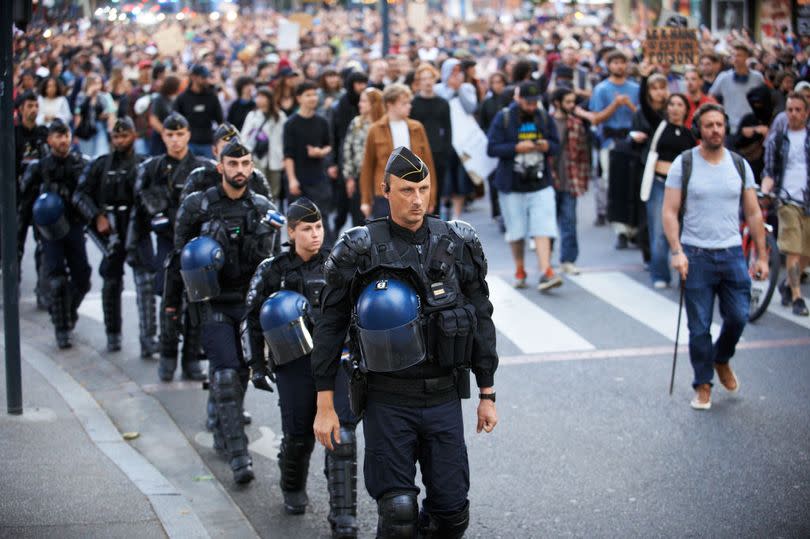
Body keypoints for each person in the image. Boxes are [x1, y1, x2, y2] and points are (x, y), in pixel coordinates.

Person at [312, 147, 498, 538]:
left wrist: (487, 393)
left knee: (452, 515)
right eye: (407, 189)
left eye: (424, 189)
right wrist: (325, 403)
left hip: (444, 397)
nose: (417, 199)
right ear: (385, 190)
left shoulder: (458, 242)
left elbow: (481, 317)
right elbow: (329, 326)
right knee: (398, 514)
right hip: (388, 400)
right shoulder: (359, 249)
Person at [244, 198, 358, 537]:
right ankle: (292, 487)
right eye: (307, 229)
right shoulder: (273, 270)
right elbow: (250, 319)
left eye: (319, 227)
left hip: (336, 361)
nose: (315, 235)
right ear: (291, 231)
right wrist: (256, 365)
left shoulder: (339, 264)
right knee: (298, 437)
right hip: (293, 365)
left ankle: (344, 516)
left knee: (342, 435)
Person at [172, 139, 278, 484]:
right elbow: (179, 257)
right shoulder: (197, 205)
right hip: (213, 302)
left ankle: (220, 423)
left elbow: (273, 265)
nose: (240, 171)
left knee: (243, 372)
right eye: (233, 164)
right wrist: (172, 305)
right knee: (225, 373)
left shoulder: (262, 206)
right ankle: (238, 455)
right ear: (220, 167)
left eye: (246, 164)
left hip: (248, 304)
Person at [662, 103, 769, 410]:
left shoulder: (738, 164)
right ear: (699, 130)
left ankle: (721, 357)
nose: (715, 130)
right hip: (695, 255)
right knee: (698, 327)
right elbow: (669, 211)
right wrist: (677, 251)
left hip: (733, 253)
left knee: (737, 317)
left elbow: (752, 212)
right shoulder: (685, 164)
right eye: (709, 125)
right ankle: (703, 383)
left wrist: (761, 256)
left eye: (720, 125)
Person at [127, 112, 214, 381]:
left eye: (180, 134)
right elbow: (138, 212)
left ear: (188, 134)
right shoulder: (151, 169)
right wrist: (133, 246)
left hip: (196, 246)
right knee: (169, 302)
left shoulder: (204, 168)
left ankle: (191, 359)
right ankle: (167, 356)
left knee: (197, 304)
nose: (175, 140)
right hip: (167, 245)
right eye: (170, 134)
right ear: (162, 136)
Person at [73, 117, 152, 352]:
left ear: (133, 136)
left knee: (145, 283)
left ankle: (148, 339)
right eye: (116, 136)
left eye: (124, 135)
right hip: (111, 229)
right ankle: (113, 334)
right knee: (110, 282)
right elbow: (80, 195)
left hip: (137, 228)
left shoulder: (145, 164)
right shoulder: (100, 164)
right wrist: (97, 216)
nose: (119, 140)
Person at [18, 119, 91, 349]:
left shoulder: (80, 164)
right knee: (57, 280)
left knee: (83, 278)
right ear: (49, 140)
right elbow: (24, 201)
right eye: (58, 136)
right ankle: (62, 329)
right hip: (50, 232)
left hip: (74, 226)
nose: (63, 140)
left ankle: (67, 312)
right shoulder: (39, 168)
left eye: (66, 135)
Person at [487, 81, 563, 291]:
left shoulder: (544, 116)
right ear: (518, 99)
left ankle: (546, 270)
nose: (531, 106)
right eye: (527, 102)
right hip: (512, 184)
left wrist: (547, 146)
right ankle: (520, 269)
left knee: (544, 227)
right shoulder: (504, 117)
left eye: (534, 102)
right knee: (516, 231)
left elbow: (556, 144)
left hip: (540, 182)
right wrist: (516, 148)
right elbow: (491, 148)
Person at [640, 94, 697, 288]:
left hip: (681, 187)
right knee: (659, 230)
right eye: (671, 104)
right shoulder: (660, 126)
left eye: (679, 104)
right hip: (658, 184)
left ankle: (684, 270)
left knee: (683, 230)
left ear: (686, 110)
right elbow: (645, 103)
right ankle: (660, 274)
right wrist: (645, 77)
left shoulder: (690, 134)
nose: (674, 108)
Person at [762, 93, 810, 316]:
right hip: (786, 198)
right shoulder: (777, 139)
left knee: (806, 251)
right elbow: (770, 171)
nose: (793, 114)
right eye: (790, 110)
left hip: (807, 199)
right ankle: (798, 297)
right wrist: (765, 190)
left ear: (806, 113)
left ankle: (786, 285)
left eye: (798, 110)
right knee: (793, 247)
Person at [359, 83, 437, 219]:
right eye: (404, 103)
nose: (409, 106)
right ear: (390, 105)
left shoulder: (417, 127)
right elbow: (367, 167)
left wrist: (431, 195)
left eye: (409, 102)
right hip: (385, 193)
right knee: (385, 236)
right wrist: (365, 200)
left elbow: (428, 164)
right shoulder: (375, 129)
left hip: (414, 190)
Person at [589, 50, 640, 231]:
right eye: (615, 62)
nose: (619, 66)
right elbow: (595, 118)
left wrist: (629, 105)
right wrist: (615, 105)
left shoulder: (635, 88)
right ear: (609, 66)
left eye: (622, 62)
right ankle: (619, 228)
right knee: (612, 182)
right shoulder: (602, 89)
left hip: (632, 139)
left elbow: (641, 116)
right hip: (610, 141)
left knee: (633, 182)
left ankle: (632, 223)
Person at [283, 81, 336, 241]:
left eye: (315, 94)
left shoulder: (322, 121)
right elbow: (288, 155)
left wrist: (321, 152)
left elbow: (329, 145)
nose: (313, 98)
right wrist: (292, 180)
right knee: (298, 222)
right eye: (308, 95)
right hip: (299, 180)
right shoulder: (291, 124)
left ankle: (328, 260)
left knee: (323, 220)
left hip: (319, 179)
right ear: (299, 98)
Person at [550, 88, 592, 276]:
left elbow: (583, 153)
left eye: (573, 101)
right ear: (557, 102)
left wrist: (582, 181)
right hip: (549, 180)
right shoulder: (546, 122)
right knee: (548, 224)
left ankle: (567, 260)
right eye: (567, 102)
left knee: (569, 221)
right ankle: (546, 261)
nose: (572, 105)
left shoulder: (576, 124)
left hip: (570, 179)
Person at [181, 122, 272, 201]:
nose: (231, 152)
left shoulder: (255, 178)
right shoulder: (200, 177)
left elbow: (269, 212)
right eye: (225, 148)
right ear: (215, 151)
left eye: (236, 148)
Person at [434, 59, 478, 220]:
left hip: (463, 141)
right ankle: (445, 207)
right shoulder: (437, 89)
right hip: (444, 139)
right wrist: (451, 90)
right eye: (452, 71)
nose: (455, 75)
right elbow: (439, 108)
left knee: (460, 179)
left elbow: (471, 108)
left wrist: (459, 89)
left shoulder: (467, 88)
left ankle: (457, 215)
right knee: (445, 178)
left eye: (458, 71)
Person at [410, 64, 452, 221]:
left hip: (438, 151)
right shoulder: (413, 103)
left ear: (435, 80)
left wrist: (446, 150)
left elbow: (448, 129)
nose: (427, 82)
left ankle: (435, 223)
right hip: (418, 152)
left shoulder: (443, 103)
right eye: (424, 79)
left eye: (430, 78)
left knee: (437, 189)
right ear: (419, 82)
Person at [329, 70, 368, 234]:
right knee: (343, 204)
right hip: (344, 158)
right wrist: (333, 162)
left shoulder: (367, 105)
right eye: (358, 83)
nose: (362, 87)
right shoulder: (342, 105)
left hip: (361, 162)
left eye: (364, 83)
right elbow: (336, 136)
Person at [341, 87, 384, 228]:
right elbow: (348, 150)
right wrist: (349, 177)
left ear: (374, 104)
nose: (360, 104)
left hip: (379, 177)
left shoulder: (383, 125)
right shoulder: (356, 123)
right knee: (358, 217)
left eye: (364, 101)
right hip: (360, 176)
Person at [709, 43, 766, 137]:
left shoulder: (757, 78)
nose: (736, 58)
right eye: (733, 55)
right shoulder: (723, 77)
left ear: (746, 57)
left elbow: (764, 99)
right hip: (730, 127)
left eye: (739, 55)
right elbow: (710, 96)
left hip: (751, 126)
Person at [241, 87, 287, 202]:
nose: (259, 100)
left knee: (274, 188)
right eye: (258, 97)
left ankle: (272, 209)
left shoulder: (280, 116)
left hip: (276, 156)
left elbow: (285, 137)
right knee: (258, 186)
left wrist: (285, 156)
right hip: (257, 155)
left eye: (263, 97)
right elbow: (244, 136)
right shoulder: (252, 115)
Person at [173, 65, 224, 159]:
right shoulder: (182, 98)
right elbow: (175, 120)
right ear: (193, 77)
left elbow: (220, 120)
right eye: (203, 77)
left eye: (207, 77)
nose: (206, 80)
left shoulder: (212, 97)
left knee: (209, 171)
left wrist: (221, 141)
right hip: (189, 143)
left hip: (208, 143)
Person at [73, 73, 114, 159]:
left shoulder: (103, 96)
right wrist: (88, 96)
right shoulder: (81, 96)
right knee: (86, 157)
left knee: (101, 155)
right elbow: (78, 113)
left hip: (100, 127)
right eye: (95, 83)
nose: (97, 86)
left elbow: (109, 113)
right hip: (85, 129)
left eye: (99, 83)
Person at [148, 75, 181, 156]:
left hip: (172, 138)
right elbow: (153, 120)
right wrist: (166, 133)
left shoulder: (175, 99)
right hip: (160, 138)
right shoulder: (159, 99)